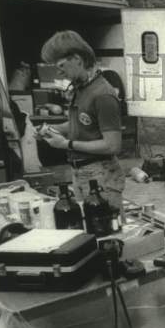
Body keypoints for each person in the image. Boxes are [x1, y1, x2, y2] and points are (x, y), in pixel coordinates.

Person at [34, 31, 125, 210]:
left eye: (61, 65)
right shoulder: (81, 89)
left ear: (77, 59)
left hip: (102, 175)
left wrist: (66, 144)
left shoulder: (102, 94)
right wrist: (53, 129)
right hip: (81, 172)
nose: (58, 71)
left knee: (104, 228)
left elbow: (112, 145)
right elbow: (80, 125)